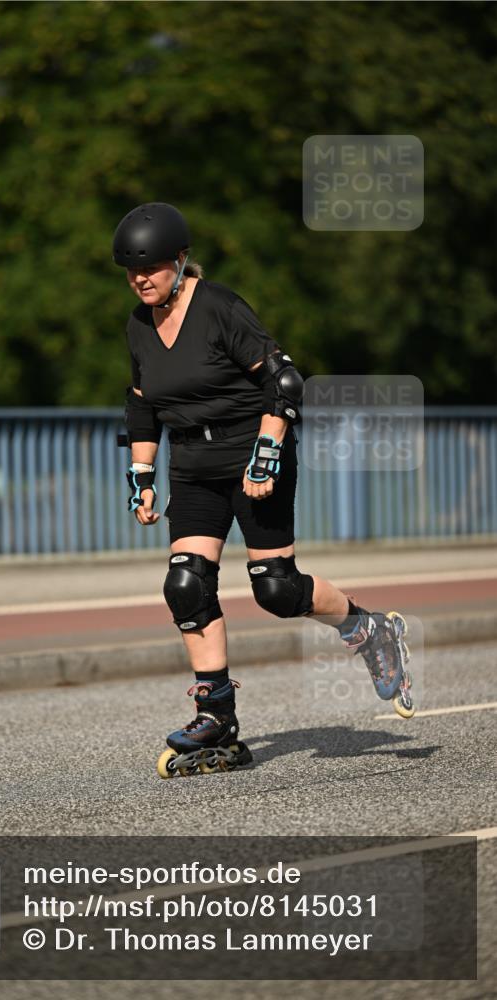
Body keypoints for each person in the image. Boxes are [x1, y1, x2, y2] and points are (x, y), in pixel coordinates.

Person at [113, 202, 414, 779]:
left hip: (254, 455)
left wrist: (267, 453)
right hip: (194, 466)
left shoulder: (220, 308)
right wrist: (142, 478)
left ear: (179, 261)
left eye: (150, 268)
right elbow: (141, 405)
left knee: (275, 590)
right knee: (186, 584)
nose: (141, 279)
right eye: (131, 272)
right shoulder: (138, 324)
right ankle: (215, 717)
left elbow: (284, 382)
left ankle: (370, 630)